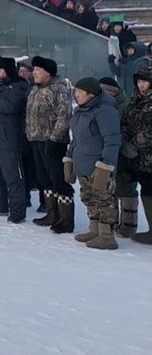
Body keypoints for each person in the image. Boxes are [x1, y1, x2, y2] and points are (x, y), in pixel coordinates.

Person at [65, 77, 121, 249]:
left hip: (99, 166)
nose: (76, 96)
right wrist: (69, 159)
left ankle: (107, 236)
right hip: (83, 163)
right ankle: (95, 229)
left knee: (104, 201)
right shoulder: (79, 112)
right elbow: (75, 139)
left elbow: (112, 140)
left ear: (91, 94)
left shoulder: (105, 111)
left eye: (80, 93)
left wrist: (105, 166)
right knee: (89, 198)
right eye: (75, 92)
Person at [25, 56, 75, 233]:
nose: (34, 73)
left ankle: (66, 219)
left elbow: (64, 116)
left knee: (59, 180)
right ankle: (52, 214)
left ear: (48, 72)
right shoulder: (34, 89)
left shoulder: (59, 89)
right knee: (44, 180)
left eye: (37, 70)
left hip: (53, 142)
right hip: (36, 140)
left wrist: (55, 138)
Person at [0, 57, 30, 223]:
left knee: (13, 176)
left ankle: (17, 210)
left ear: (8, 71)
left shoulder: (18, 86)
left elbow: (9, 106)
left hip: (8, 139)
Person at [121, 68, 152, 244]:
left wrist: (134, 143)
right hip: (139, 159)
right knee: (146, 190)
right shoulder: (135, 101)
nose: (141, 85)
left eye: (145, 81)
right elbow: (125, 121)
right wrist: (126, 140)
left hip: (146, 153)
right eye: (139, 81)